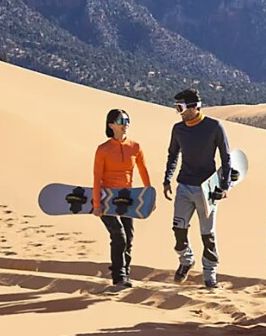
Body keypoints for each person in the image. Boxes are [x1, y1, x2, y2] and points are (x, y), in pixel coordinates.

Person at [163, 88, 232, 289]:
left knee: (207, 234)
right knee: (178, 230)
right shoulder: (178, 129)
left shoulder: (214, 127)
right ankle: (186, 260)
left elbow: (226, 157)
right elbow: (172, 155)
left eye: (181, 107)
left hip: (207, 189)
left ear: (194, 107)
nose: (179, 112)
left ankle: (210, 274)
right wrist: (167, 179)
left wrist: (225, 185)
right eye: (176, 107)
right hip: (184, 186)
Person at [93, 109, 150, 291]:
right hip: (107, 198)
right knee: (119, 235)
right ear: (111, 125)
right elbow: (97, 177)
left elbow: (143, 171)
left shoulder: (135, 147)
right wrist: (96, 204)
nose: (125, 124)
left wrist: (149, 196)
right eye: (120, 120)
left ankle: (125, 270)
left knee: (129, 237)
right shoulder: (103, 149)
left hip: (128, 198)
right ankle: (119, 276)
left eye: (127, 120)